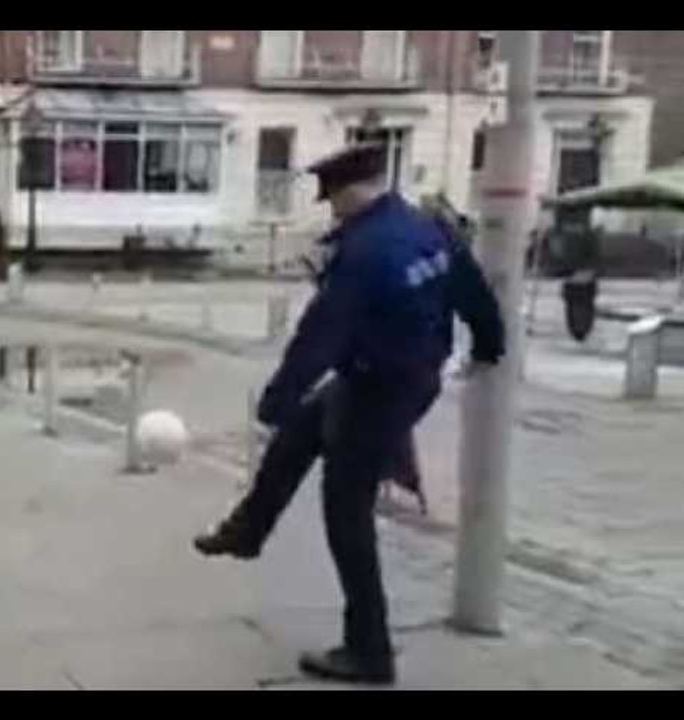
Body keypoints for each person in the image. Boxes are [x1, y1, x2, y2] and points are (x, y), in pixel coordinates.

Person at [193, 143, 504, 685]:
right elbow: (471, 287)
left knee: (346, 513)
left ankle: (370, 652)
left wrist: (275, 400)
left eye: (332, 199)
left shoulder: (362, 252)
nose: (330, 210)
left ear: (350, 192)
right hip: (401, 376)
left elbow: (320, 336)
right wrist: (488, 345)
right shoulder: (425, 224)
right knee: (298, 436)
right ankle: (248, 529)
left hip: (378, 390)